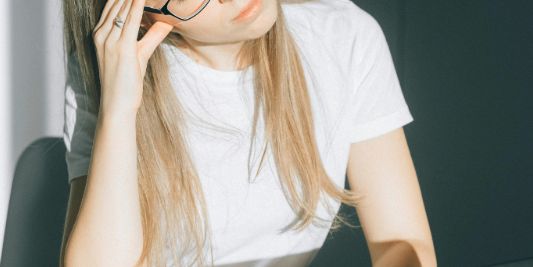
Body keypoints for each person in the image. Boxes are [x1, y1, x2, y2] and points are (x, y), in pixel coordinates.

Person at [60, 0, 437, 266]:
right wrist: (120, 108)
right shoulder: (108, 75)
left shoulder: (344, 36)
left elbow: (402, 243)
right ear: (138, 14)